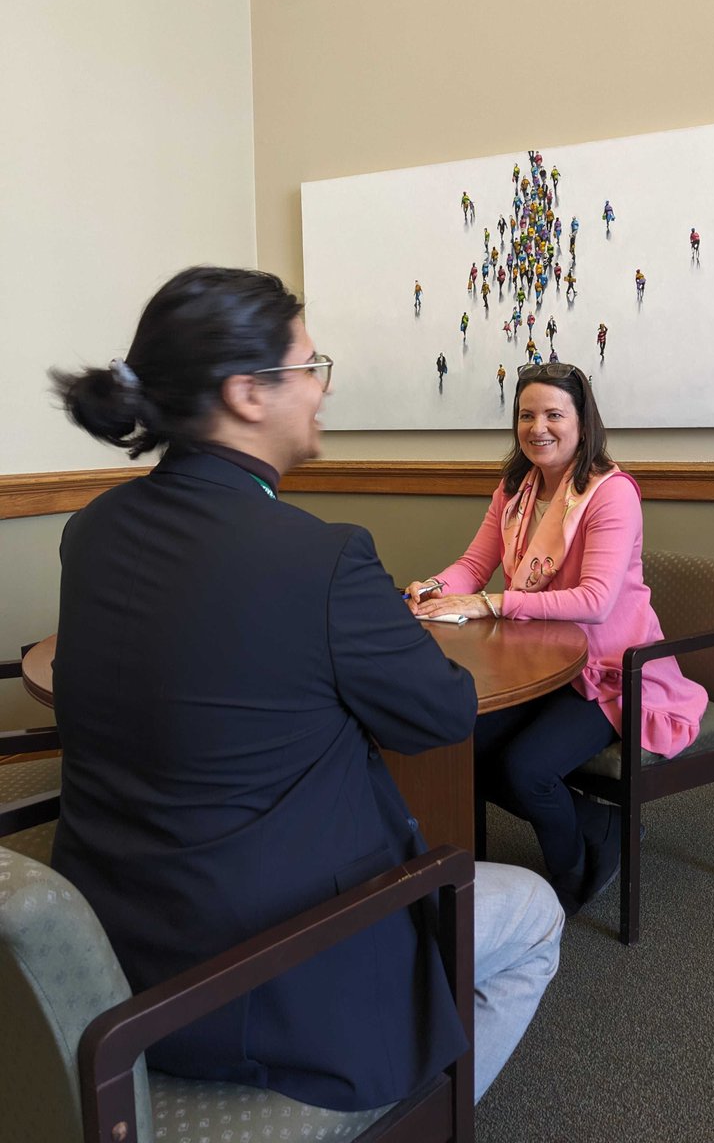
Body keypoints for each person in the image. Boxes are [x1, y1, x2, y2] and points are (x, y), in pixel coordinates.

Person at [48, 267, 563, 1112]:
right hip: (265, 974)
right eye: (308, 367)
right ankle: (414, 1119)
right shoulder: (320, 559)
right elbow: (440, 714)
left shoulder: (92, 532)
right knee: (534, 911)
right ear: (249, 393)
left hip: (103, 961)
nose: (321, 391)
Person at [404, 363, 707, 917]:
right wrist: (430, 588)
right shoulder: (515, 490)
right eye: (526, 414)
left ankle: (568, 875)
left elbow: (594, 601)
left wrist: (493, 603)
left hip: (613, 672)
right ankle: (598, 819)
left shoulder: (611, 494)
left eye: (553, 414)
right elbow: (475, 565)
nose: (537, 427)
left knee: (526, 769)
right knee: (459, 741)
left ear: (582, 423)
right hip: (538, 664)